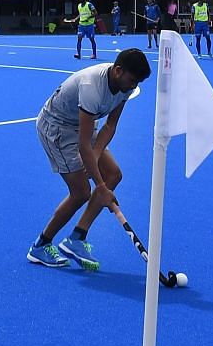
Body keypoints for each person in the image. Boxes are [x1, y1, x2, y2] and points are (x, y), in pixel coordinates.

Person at [27, 48, 153, 270]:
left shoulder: (125, 86)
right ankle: (40, 245)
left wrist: (95, 160)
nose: (133, 86)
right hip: (57, 128)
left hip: (81, 125)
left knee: (114, 173)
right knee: (81, 192)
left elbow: (110, 126)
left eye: (137, 83)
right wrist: (101, 187)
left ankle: (77, 237)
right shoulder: (91, 87)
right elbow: (84, 144)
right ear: (118, 71)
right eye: (132, 80)